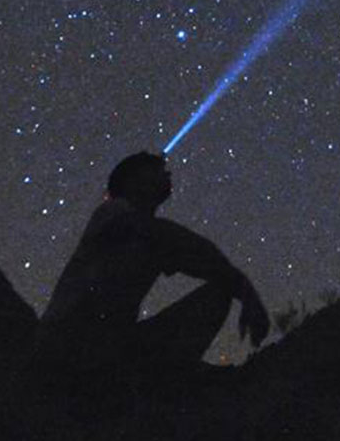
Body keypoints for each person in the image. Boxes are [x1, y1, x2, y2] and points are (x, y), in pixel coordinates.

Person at [31, 151, 270, 398]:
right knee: (218, 290)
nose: (167, 173)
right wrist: (246, 290)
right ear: (132, 180)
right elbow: (170, 239)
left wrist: (239, 286)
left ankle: (157, 379)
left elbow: (186, 250)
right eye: (155, 169)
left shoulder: (145, 233)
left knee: (217, 293)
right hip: (69, 350)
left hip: (107, 349)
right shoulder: (112, 213)